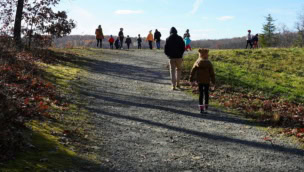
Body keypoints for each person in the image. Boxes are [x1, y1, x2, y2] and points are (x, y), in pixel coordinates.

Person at [189, 48, 215, 114]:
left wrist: (191, 79)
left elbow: (193, 71)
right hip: (207, 80)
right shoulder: (209, 63)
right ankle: (206, 107)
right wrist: (213, 81)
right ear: (207, 54)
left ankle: (201, 108)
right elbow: (212, 73)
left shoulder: (197, 62)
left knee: (201, 93)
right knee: (206, 93)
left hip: (199, 80)